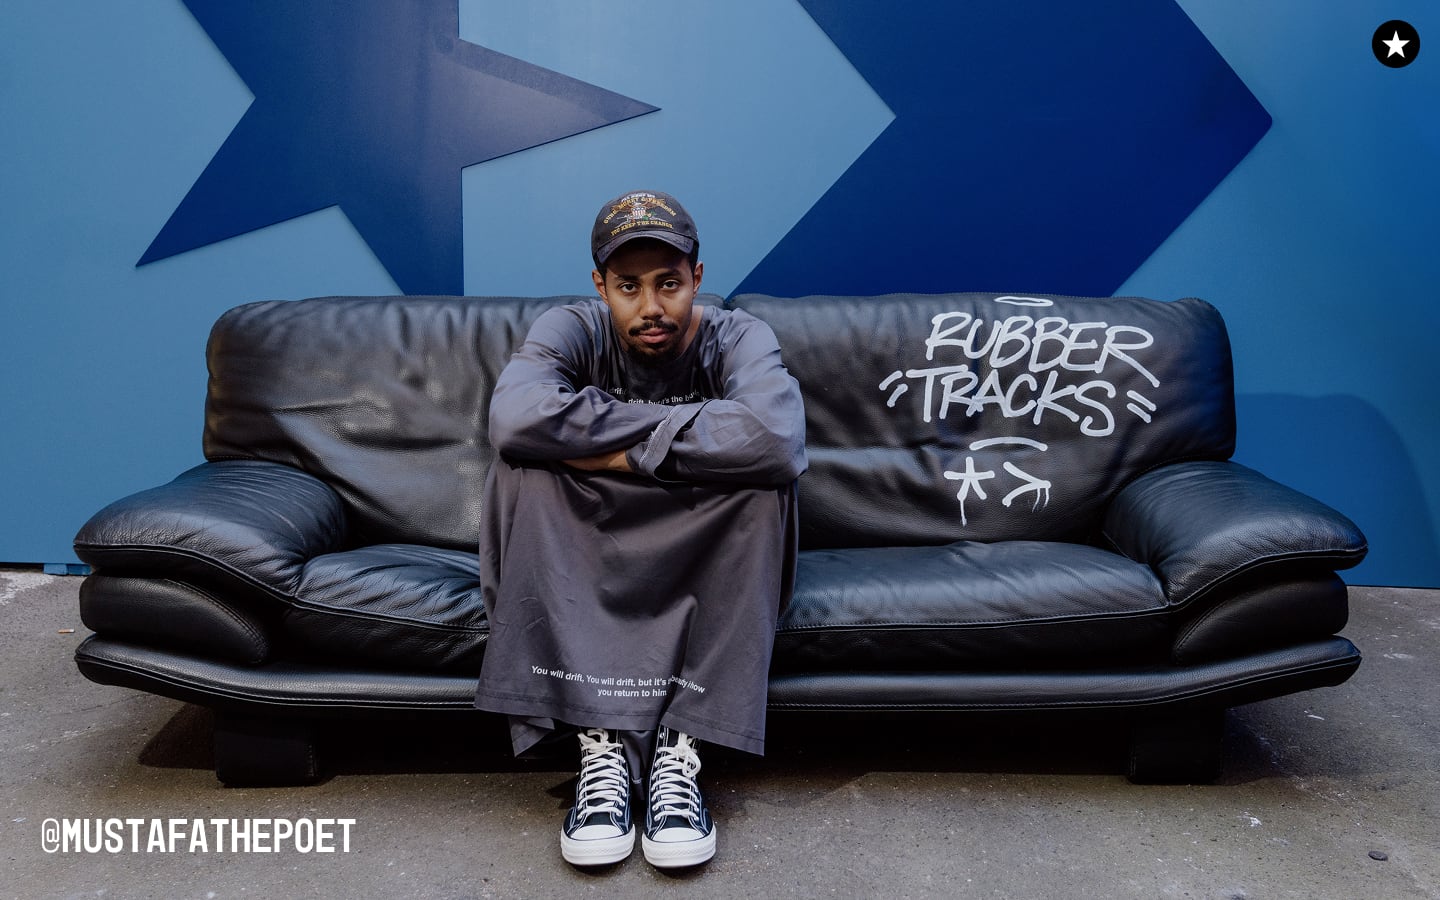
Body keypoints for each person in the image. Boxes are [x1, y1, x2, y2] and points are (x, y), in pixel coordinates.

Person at [473, 189, 807, 869]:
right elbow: (514, 422)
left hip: (705, 537)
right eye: (628, 287)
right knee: (523, 470)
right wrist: (687, 441)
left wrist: (618, 452)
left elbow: (774, 437)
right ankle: (603, 745)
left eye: (669, 284)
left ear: (698, 280)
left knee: (765, 486)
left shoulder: (738, 335)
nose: (651, 307)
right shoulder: (569, 328)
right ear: (601, 288)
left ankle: (680, 754)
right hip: (587, 535)